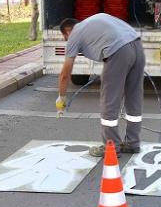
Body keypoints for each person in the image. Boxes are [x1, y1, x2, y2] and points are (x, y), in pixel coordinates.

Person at [56, 13, 145, 158]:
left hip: (118, 52)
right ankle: (132, 143)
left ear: (67, 31)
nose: (67, 41)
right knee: (133, 97)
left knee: (109, 101)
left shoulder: (74, 34)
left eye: (65, 38)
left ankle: (111, 146)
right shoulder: (94, 20)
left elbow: (65, 73)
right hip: (137, 47)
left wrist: (61, 97)